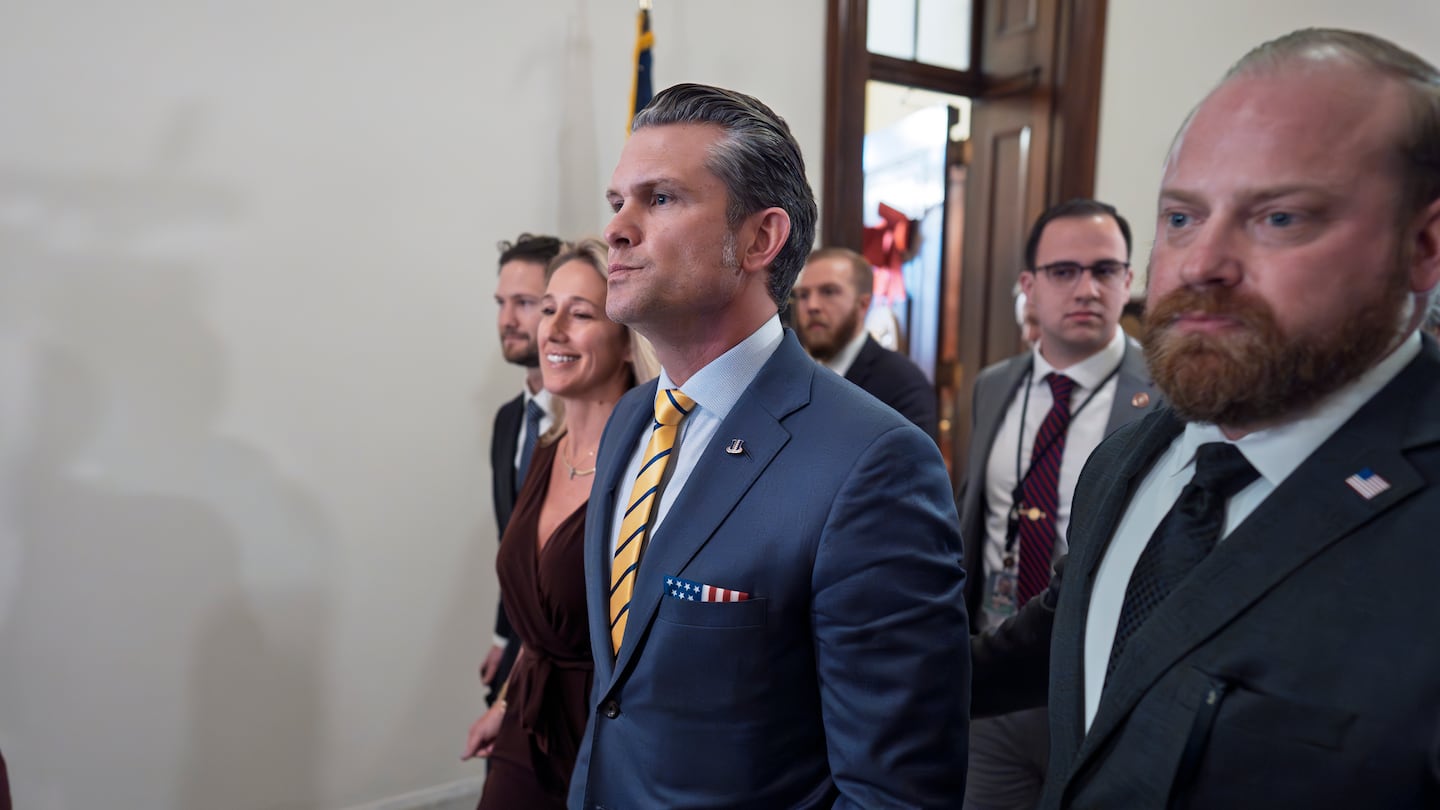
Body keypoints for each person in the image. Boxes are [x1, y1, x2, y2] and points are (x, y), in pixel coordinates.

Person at [973, 28, 1440, 808]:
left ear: (1424, 245)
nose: (1199, 264)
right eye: (1182, 218)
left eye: (1280, 218)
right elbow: (1079, 635)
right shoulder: (1129, 459)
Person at [568, 83, 969, 809]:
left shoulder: (873, 464)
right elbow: (619, 701)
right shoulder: (633, 418)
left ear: (760, 238)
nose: (618, 230)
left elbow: (895, 792)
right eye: (617, 200)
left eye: (659, 199)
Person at [958, 199, 1159, 809]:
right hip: (992, 676)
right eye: (1064, 271)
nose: (1087, 288)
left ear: (1128, 281)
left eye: (1105, 270)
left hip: (1100, 687)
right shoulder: (994, 385)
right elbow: (977, 519)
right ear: (1029, 286)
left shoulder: (1167, 396)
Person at [463, 239, 659, 808]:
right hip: (527, 717)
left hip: (608, 733)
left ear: (627, 342)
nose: (553, 331)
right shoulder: (546, 451)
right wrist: (501, 708)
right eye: (548, 310)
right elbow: (539, 626)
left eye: (581, 314)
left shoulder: (651, 468)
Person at [483, 233, 563, 706]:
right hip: (520, 643)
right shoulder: (508, 421)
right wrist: (501, 637)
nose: (506, 320)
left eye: (525, 303)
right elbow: (512, 546)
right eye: (500, 303)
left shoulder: (606, 419)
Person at [793, 246, 939, 438]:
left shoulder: (903, 384)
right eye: (803, 295)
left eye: (828, 292)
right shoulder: (791, 377)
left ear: (863, 304)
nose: (812, 306)